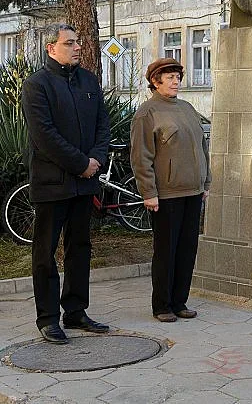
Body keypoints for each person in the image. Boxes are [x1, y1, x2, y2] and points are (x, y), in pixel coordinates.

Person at [22, 23, 111, 344]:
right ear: (51, 48)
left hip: (84, 184)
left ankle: (75, 310)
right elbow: (44, 136)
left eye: (78, 42)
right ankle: (48, 318)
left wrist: (96, 159)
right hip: (51, 184)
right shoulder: (36, 85)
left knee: (80, 248)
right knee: (45, 251)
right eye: (70, 43)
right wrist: (81, 164)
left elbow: (103, 125)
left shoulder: (88, 80)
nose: (77, 47)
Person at [130, 58, 211, 322]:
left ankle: (179, 301)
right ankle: (162, 306)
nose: (176, 82)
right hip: (166, 194)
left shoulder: (187, 108)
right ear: (156, 82)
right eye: (170, 77)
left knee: (187, 250)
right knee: (166, 251)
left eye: (178, 77)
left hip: (193, 192)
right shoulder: (147, 113)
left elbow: (202, 148)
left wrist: (206, 183)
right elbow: (141, 157)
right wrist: (149, 193)